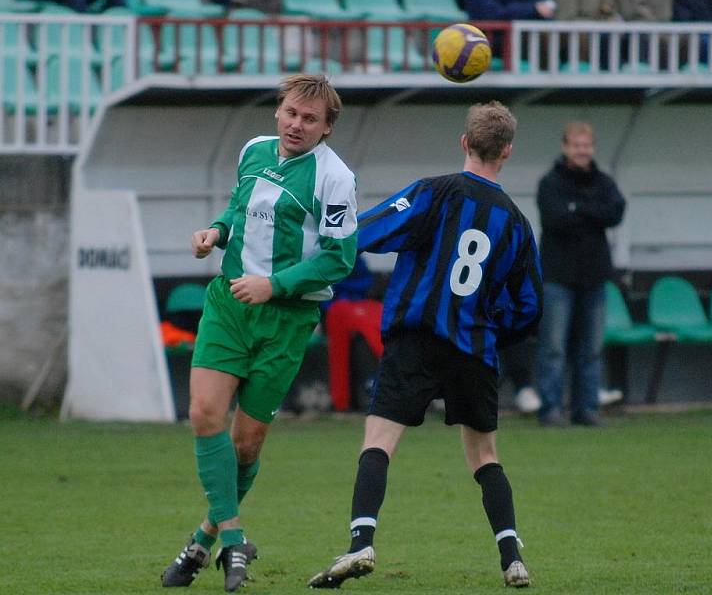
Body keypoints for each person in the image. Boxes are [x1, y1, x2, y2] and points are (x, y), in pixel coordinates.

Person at [307, 101, 544, 589]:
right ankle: (512, 558)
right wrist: (491, 330)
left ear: (464, 142)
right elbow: (528, 307)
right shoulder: (518, 225)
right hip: (474, 348)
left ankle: (360, 545)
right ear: (506, 152)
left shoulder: (433, 193)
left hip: (416, 339)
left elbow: (367, 231)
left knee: (379, 441)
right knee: (485, 457)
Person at [160, 74, 357, 592]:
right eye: (291, 113)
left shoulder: (335, 179)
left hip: (286, 320)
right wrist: (216, 233)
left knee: (245, 445)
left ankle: (202, 540)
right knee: (203, 413)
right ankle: (234, 539)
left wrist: (275, 285)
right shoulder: (253, 151)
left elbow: (339, 258)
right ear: (278, 111)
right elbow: (238, 210)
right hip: (229, 303)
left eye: (310, 119)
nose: (297, 124)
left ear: (327, 128)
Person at [534, 121, 625, 428]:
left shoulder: (603, 181)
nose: (582, 151)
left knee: (591, 350)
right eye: (577, 145)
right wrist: (591, 211)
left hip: (594, 277)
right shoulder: (550, 182)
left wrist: (578, 209)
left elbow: (616, 212)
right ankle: (550, 410)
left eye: (587, 145)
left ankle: (586, 409)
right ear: (565, 147)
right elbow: (556, 218)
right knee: (554, 348)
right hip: (557, 277)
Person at [322, 255, 384, 412]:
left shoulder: (353, 253)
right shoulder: (323, 252)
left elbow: (367, 281)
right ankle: (341, 401)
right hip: (334, 310)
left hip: (355, 307)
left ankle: (348, 399)